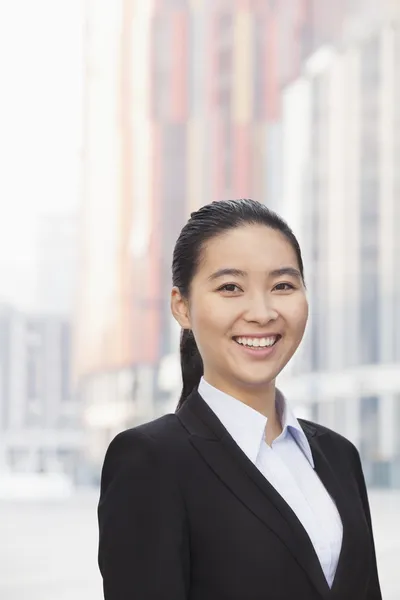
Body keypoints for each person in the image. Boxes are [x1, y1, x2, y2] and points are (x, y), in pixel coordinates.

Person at [97, 199, 382, 599]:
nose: (263, 313)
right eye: (230, 287)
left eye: (283, 285)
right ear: (182, 306)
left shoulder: (339, 457)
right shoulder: (151, 460)